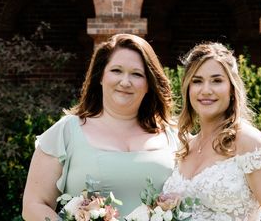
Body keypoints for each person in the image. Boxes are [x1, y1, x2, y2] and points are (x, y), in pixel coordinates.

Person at [22, 33, 177, 220]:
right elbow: (34, 205)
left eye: (137, 74)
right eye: (116, 71)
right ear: (100, 76)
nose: (125, 82)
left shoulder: (173, 136)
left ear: (149, 84)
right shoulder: (66, 132)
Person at [162, 42, 261, 221]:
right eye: (197, 81)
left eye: (217, 81)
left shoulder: (248, 141)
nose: (206, 90)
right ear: (188, 89)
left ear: (232, 89)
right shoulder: (186, 147)